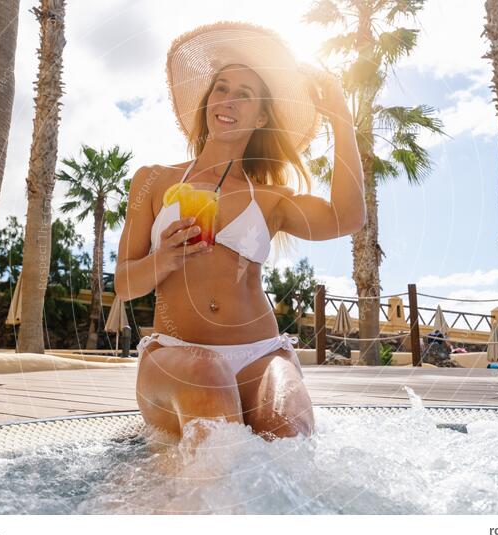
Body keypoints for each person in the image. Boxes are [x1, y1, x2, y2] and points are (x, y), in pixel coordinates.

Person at [115, 22, 365, 445]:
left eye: (243, 95)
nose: (227, 101)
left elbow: (348, 217)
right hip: (175, 354)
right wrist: (165, 259)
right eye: (221, 88)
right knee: (207, 377)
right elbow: (124, 284)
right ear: (207, 101)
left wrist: (341, 119)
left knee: (289, 434)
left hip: (260, 354)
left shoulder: (270, 199)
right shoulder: (152, 181)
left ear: (262, 116)